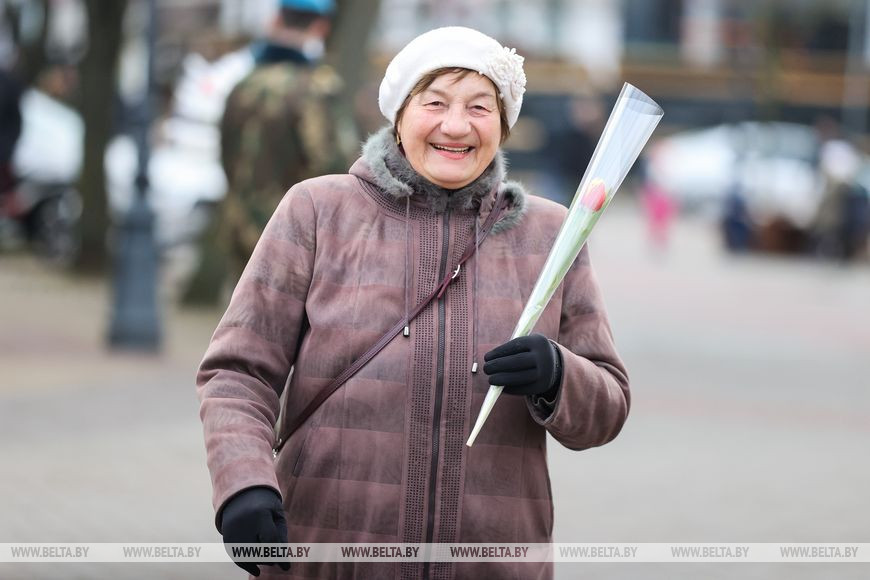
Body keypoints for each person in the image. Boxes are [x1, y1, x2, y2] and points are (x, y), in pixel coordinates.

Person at [197, 26, 630, 579]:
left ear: (502, 124)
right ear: (399, 115)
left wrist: (558, 376)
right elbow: (238, 372)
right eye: (435, 103)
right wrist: (243, 485)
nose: (456, 125)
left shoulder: (550, 235)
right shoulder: (317, 211)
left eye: (480, 106)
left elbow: (609, 404)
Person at [183, 0, 357, 304]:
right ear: (321, 27)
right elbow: (334, 167)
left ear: (276, 19)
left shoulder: (244, 86)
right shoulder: (317, 89)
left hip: (241, 225)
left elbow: (226, 153)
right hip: (299, 235)